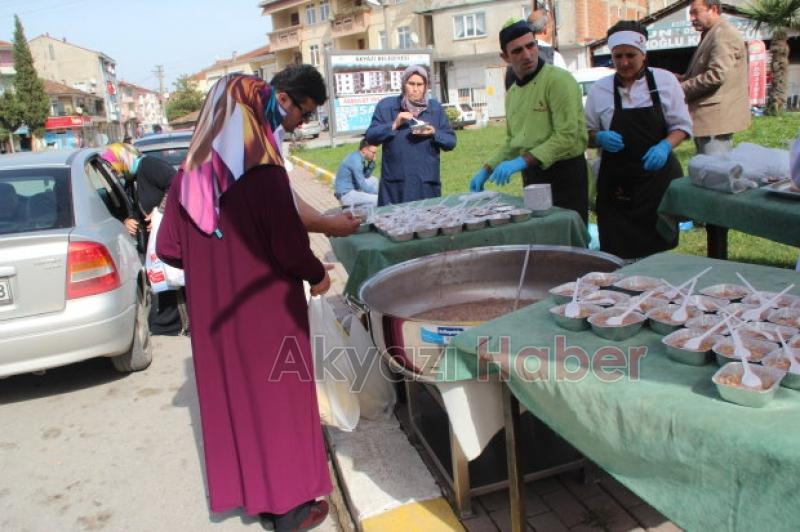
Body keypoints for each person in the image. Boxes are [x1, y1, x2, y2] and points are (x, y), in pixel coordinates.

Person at [156, 68, 332, 531]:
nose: (298, 124)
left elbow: (168, 248)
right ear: (273, 103)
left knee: (238, 405)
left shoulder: (189, 175)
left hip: (215, 317)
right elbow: (289, 247)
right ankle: (291, 510)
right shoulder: (264, 172)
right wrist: (318, 276)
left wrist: (213, 261)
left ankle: (256, 497)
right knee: (278, 404)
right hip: (267, 312)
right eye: (303, 114)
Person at [585, 21, 692, 260]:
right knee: (616, 250)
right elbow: (585, 134)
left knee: (657, 251)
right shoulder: (600, 90)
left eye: (630, 55)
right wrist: (598, 137)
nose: (624, 62)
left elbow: (682, 127)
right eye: (617, 56)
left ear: (643, 54)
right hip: (616, 184)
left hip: (656, 181)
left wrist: (665, 146)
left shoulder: (665, 82)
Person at [471, 18, 589, 224]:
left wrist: (521, 161)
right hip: (533, 177)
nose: (527, 55)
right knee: (539, 233)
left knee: (566, 233)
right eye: (517, 51)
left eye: (530, 46)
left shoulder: (559, 81)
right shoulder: (513, 94)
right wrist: (487, 169)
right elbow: (513, 142)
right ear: (505, 57)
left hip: (565, 174)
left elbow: (567, 136)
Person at [102, 142, 184, 336]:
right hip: (153, 239)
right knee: (162, 280)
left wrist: (160, 212)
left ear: (122, 159)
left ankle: (175, 323)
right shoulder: (131, 179)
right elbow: (134, 207)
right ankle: (169, 324)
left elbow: (177, 183)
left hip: (168, 232)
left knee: (172, 278)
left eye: (114, 166)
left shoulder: (148, 166)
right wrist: (126, 220)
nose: (114, 171)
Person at [365, 65, 456, 206]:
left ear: (426, 87)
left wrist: (434, 132)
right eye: (411, 84)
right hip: (395, 187)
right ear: (403, 84)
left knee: (426, 218)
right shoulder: (386, 106)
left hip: (426, 185)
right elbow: (371, 136)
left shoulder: (435, 109)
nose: (415, 89)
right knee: (394, 219)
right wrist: (394, 124)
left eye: (420, 85)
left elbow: (451, 142)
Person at [680, 0, 749, 155]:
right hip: (708, 119)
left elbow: (717, 75)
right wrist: (682, 78)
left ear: (713, 9)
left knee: (715, 167)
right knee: (708, 166)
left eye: (695, 12)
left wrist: (680, 88)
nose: (691, 18)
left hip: (715, 122)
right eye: (690, 13)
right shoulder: (712, 32)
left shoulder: (723, 34)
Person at [504, 8, 566, 89]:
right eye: (552, 27)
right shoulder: (555, 57)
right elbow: (566, 89)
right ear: (545, 29)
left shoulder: (513, 60)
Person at [334, 138, 379, 206]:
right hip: (346, 195)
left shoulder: (357, 156)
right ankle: (361, 210)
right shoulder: (356, 161)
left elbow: (366, 176)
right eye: (373, 152)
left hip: (352, 189)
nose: (374, 155)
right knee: (377, 199)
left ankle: (364, 204)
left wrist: (372, 162)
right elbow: (363, 185)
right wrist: (380, 193)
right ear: (364, 150)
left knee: (374, 180)